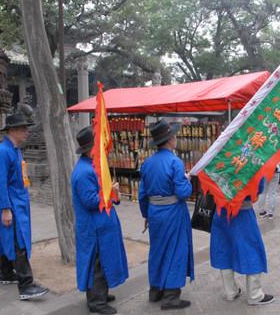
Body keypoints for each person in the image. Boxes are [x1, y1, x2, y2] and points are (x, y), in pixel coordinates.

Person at [0, 106, 49, 300]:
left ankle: (5, 273)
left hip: (17, 201)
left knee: (10, 236)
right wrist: (5, 209)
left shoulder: (14, 150)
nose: (27, 131)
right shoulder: (2, 152)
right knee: (18, 241)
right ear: (12, 130)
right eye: (23, 128)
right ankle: (26, 285)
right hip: (10, 203)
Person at [71, 126, 129, 314]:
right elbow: (90, 201)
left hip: (100, 224)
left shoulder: (93, 166)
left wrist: (112, 193)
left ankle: (100, 294)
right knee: (97, 263)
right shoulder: (83, 172)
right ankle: (96, 300)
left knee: (102, 261)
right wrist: (110, 193)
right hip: (92, 227)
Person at [138, 119, 194, 310]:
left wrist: (146, 215)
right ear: (170, 139)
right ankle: (170, 296)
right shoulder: (175, 162)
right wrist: (187, 180)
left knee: (157, 251)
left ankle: (155, 291)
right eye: (174, 136)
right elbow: (183, 193)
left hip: (154, 213)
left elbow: (142, 194)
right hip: (173, 213)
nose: (176, 138)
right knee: (175, 251)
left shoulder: (147, 163)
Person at [210, 178, 275, 305]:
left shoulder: (216, 162)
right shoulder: (250, 164)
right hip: (242, 214)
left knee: (225, 249)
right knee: (252, 250)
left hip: (221, 213)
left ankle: (230, 291)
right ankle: (254, 294)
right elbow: (258, 190)